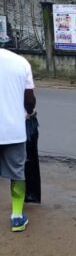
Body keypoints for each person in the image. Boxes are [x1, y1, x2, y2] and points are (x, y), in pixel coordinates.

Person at [0, 48, 36, 231]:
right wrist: (29, 113)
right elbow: (29, 100)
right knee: (17, 172)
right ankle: (16, 217)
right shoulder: (21, 62)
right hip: (13, 129)